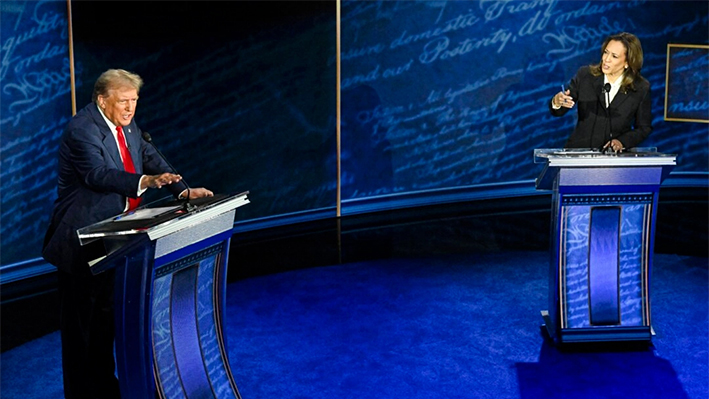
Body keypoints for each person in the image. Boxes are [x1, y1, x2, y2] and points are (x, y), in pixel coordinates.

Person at [42, 69, 213, 398]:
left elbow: (149, 156)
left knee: (106, 321)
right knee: (82, 330)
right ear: (102, 100)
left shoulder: (128, 125)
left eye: (134, 101)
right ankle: (81, 393)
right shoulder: (82, 129)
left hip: (118, 236)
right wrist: (143, 182)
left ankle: (105, 388)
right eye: (124, 101)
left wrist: (182, 190)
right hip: (83, 238)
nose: (130, 108)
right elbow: (97, 174)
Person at [550, 32, 652, 153]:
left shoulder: (640, 87)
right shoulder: (586, 75)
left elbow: (643, 128)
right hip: (578, 154)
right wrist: (557, 102)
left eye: (614, 56)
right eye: (606, 52)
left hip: (614, 159)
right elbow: (561, 109)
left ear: (627, 62)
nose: (606, 59)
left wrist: (621, 142)